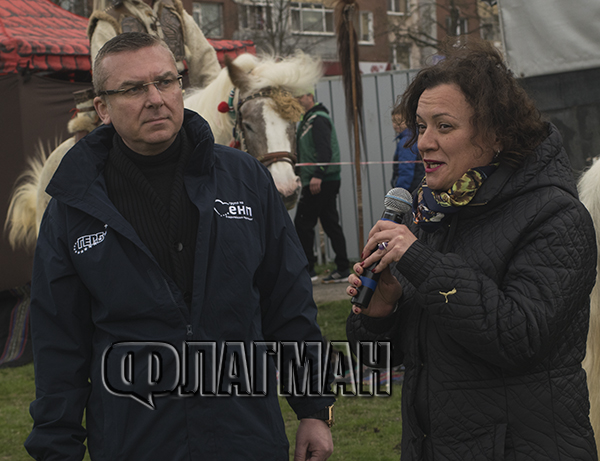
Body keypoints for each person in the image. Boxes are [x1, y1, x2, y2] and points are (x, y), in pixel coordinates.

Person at [24, 33, 334, 461]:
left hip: (243, 435)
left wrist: (314, 409)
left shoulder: (244, 180)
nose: (155, 98)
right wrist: (55, 446)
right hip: (135, 439)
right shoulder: (75, 207)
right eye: (133, 88)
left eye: (165, 82)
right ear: (102, 108)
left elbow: (289, 301)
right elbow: (59, 341)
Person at [346, 40, 598, 460]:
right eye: (420, 126)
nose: (424, 142)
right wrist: (380, 314)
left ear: (497, 133)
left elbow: (519, 337)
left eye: (443, 126)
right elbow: (381, 364)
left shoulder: (555, 216)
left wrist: (421, 264)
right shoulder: (430, 211)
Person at [294, 90, 350, 284]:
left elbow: (324, 149)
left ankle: (308, 269)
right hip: (322, 179)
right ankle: (343, 267)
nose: (298, 100)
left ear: (309, 95)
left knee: (302, 223)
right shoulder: (308, 120)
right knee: (330, 222)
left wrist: (318, 173)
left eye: (299, 96)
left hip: (321, 180)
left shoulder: (317, 119)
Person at [390, 104, 424, 193]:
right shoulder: (415, 136)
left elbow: (406, 170)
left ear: (409, 121)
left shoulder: (406, 142)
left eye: (400, 121)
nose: (397, 124)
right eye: (394, 121)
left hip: (410, 190)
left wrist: (399, 193)